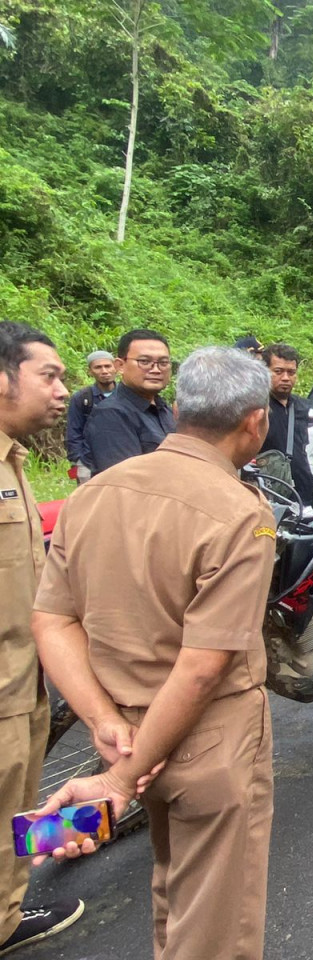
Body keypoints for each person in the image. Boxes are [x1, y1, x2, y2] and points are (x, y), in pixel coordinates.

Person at [31, 347, 278, 960]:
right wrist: (118, 781)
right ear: (256, 422)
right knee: (214, 922)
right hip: (207, 740)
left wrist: (106, 729)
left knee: (170, 885)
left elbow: (53, 618)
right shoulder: (242, 513)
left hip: (119, 730)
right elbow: (201, 667)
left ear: (176, 409)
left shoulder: (93, 496)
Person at [0, 322, 81, 955]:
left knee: (20, 792)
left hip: (25, 675)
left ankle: (12, 900)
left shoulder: (15, 459)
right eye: (48, 376)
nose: (62, 391)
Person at [85, 329, 175, 474]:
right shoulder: (111, 415)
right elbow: (126, 481)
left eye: (163, 363)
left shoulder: (166, 410)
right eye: (144, 362)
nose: (156, 370)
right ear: (120, 365)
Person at [257, 342, 313, 505]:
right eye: (278, 371)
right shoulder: (255, 407)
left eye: (291, 372)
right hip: (268, 494)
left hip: (301, 493)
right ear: (265, 372)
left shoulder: (302, 407)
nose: (286, 378)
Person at [64, 349, 117, 484]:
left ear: (116, 367)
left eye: (108, 366)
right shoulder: (82, 398)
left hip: (122, 459)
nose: (104, 371)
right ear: (90, 371)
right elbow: (73, 432)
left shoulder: (129, 396)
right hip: (90, 462)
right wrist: (80, 463)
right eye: (98, 367)